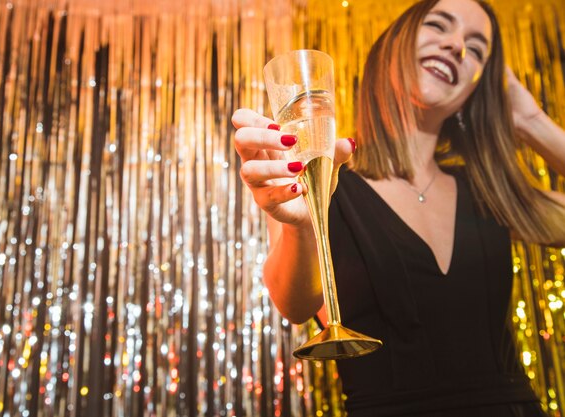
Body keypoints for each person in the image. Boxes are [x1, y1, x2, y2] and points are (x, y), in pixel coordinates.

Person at [232, 0, 565, 415]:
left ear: (475, 89)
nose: (457, 46)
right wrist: (300, 225)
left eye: (477, 49)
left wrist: (531, 120)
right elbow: (294, 304)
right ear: (393, 47)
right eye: (440, 25)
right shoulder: (321, 175)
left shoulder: (486, 191)